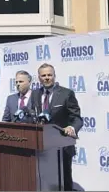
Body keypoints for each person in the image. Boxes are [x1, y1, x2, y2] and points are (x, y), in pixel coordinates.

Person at [30, 63, 83, 191]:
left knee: (64, 181)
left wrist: (72, 128)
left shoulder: (66, 93)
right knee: (44, 181)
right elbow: (33, 116)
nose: (47, 78)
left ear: (54, 76)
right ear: (39, 78)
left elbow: (77, 118)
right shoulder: (35, 94)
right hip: (42, 147)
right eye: (44, 75)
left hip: (62, 146)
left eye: (49, 75)